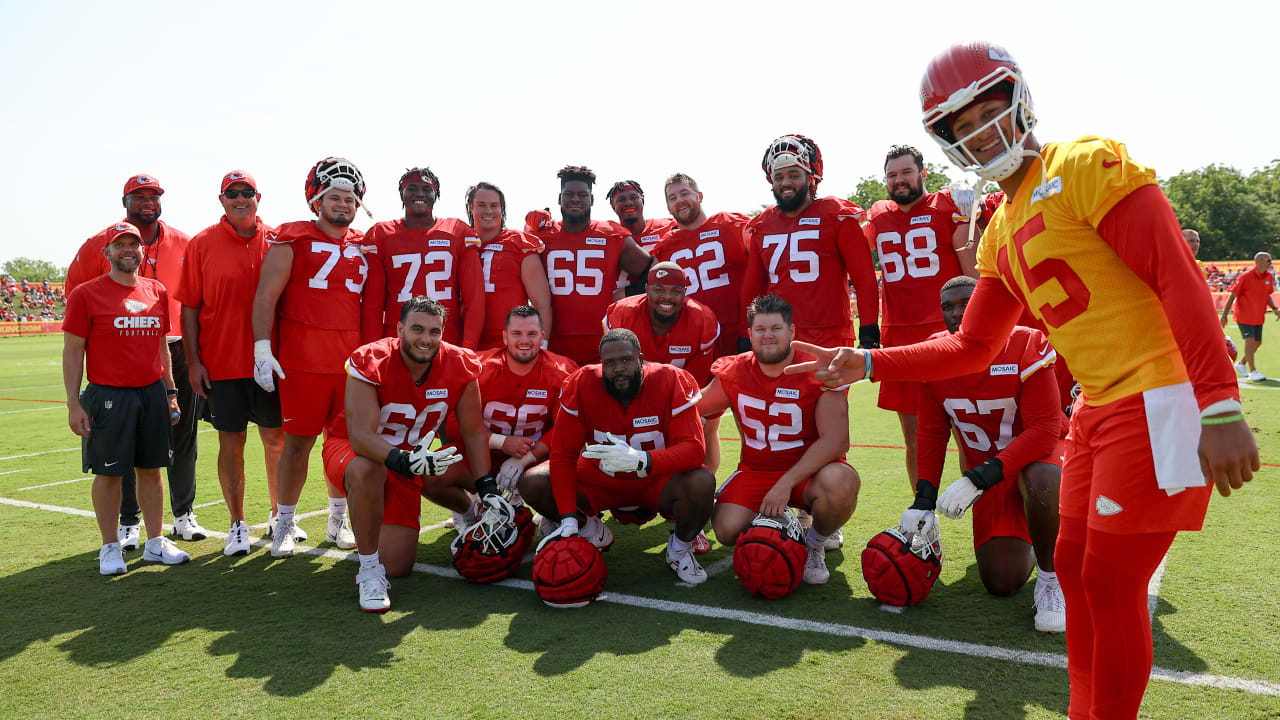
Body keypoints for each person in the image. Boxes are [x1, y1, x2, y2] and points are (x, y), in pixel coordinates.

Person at [787, 41, 1257, 720]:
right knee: (1074, 569)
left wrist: (1217, 401)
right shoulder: (999, 228)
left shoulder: (1085, 163)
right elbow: (973, 346)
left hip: (1157, 396)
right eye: (960, 124)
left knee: (1111, 580)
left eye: (988, 110)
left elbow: (1175, 276)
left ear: (1019, 99)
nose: (979, 131)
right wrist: (868, 362)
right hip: (1097, 409)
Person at [904, 276, 1065, 631]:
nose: (956, 312)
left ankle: (1053, 580)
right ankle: (1041, 532)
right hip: (990, 477)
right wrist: (923, 499)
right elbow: (931, 434)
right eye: (948, 306)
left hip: (1038, 460)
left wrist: (979, 477)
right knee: (1001, 583)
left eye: (966, 303)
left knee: (1042, 482)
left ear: (987, 305)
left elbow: (1043, 431)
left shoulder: (1025, 342)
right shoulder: (936, 353)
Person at [321, 297, 494, 611]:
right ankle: (369, 570)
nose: (425, 339)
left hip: (408, 460)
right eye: (417, 329)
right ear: (400, 329)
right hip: (352, 448)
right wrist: (402, 460)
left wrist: (486, 485)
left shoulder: (460, 363)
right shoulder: (371, 359)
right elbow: (360, 436)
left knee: (398, 565)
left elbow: (473, 431)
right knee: (366, 470)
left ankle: (467, 512)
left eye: (434, 331)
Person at [65, 173, 206, 547]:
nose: (148, 201)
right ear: (124, 201)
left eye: (154, 195)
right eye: (139, 196)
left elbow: (197, 296)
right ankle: (129, 520)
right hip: (118, 352)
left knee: (181, 438)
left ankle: (183, 513)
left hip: (171, 347)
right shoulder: (97, 243)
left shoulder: (184, 242)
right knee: (121, 445)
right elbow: (75, 299)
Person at [519, 329, 715, 584]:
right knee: (532, 482)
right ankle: (591, 530)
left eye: (626, 359)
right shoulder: (582, 383)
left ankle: (679, 549)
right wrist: (567, 517)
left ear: (640, 359)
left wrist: (643, 459)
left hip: (655, 480)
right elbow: (563, 456)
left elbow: (694, 449)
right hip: (600, 479)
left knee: (702, 481)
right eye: (609, 363)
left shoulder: (670, 380)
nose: (618, 368)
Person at [251, 157, 370, 556]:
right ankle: (284, 522)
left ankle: (339, 521)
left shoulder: (363, 243)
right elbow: (267, 294)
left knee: (345, 446)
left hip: (350, 363)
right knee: (297, 445)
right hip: (302, 360)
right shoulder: (292, 237)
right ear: (316, 201)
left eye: (350, 199)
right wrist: (262, 347)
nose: (343, 204)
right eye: (334, 197)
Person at [696, 294, 859, 585]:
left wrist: (785, 483)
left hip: (810, 473)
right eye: (760, 330)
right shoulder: (733, 370)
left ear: (792, 331)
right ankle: (782, 523)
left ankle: (814, 543)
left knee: (842, 483)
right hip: (756, 470)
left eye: (775, 329)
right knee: (726, 530)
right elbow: (695, 407)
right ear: (749, 334)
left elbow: (836, 442)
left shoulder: (815, 369)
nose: (767, 336)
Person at [176, 171, 285, 556]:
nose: (241, 199)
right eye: (232, 193)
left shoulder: (278, 239)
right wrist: (193, 361)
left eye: (247, 193)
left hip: (270, 362)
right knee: (231, 441)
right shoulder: (202, 243)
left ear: (259, 197)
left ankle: (280, 517)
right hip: (221, 362)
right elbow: (189, 307)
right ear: (221, 200)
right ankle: (237, 523)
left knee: (276, 440)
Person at [863, 145, 978, 485]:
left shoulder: (948, 204)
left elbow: (973, 275)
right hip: (900, 337)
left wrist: (973, 212)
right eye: (892, 175)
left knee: (969, 434)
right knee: (913, 437)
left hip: (949, 334)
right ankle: (923, 521)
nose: (899, 181)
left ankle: (990, 516)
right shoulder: (879, 214)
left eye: (906, 173)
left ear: (923, 173)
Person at [743, 135, 880, 349]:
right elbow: (752, 289)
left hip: (830, 337)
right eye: (778, 176)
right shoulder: (762, 224)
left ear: (810, 177)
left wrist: (869, 332)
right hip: (779, 337)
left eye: (794, 174)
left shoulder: (837, 215)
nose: (786, 183)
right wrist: (747, 335)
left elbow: (864, 279)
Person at [529, 166, 653, 365]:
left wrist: (627, 294)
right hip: (554, 341)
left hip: (604, 341)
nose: (575, 199)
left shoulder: (611, 235)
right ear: (559, 198)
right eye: (569, 194)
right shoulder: (542, 236)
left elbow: (653, 272)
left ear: (592, 199)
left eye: (582, 194)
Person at [361, 168, 484, 348]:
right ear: (402, 193)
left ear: (436, 195)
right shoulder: (381, 234)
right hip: (398, 343)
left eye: (427, 189)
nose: (420, 193)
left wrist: (468, 349)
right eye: (412, 188)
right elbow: (373, 305)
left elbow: (474, 298)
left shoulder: (457, 231)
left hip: (446, 341)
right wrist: (373, 351)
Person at [469, 305, 578, 498]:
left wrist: (525, 458)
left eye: (532, 334)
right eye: (517, 333)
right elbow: (455, 423)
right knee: (440, 471)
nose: (524, 341)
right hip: (484, 452)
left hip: (536, 455)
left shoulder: (561, 371)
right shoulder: (480, 368)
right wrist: (501, 441)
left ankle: (555, 511)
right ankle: (468, 509)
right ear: (505, 337)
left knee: (575, 454)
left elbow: (566, 427)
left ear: (542, 337)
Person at [653, 173, 750, 358]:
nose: (679, 200)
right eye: (673, 198)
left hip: (739, 330)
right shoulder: (665, 246)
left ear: (700, 196)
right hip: (695, 336)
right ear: (668, 207)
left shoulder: (730, 224)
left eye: (684, 193)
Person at [465, 182, 555, 350]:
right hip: (467, 342)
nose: (489, 211)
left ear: (502, 209)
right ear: (471, 208)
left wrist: (541, 347)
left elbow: (541, 302)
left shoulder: (518, 243)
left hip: (511, 345)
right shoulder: (461, 241)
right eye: (481, 205)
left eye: (494, 206)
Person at [606, 179, 675, 291]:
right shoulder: (609, 235)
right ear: (613, 205)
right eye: (621, 199)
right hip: (622, 305)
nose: (628, 203)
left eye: (634, 197)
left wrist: (630, 293)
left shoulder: (667, 227)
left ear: (642, 200)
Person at [1220, 251, 1279, 381]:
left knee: (1258, 343)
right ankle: (1253, 371)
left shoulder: (1268, 276)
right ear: (1259, 261)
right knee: (1251, 342)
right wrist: (1224, 316)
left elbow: (1267, 294)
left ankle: (1241, 364)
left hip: (1258, 316)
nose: (1270, 263)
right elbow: (1232, 295)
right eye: (1268, 260)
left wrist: (1274, 308)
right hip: (1244, 315)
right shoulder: (1245, 277)